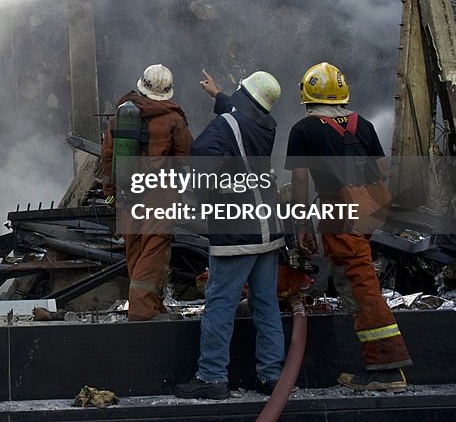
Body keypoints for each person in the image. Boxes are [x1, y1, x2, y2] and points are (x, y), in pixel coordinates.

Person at [285, 62, 412, 392]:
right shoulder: (364, 124)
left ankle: (385, 368)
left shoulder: (303, 130)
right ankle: (380, 364)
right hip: (369, 207)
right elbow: (382, 171)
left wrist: (303, 226)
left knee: (359, 282)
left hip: (339, 210)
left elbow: (299, 181)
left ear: (306, 96)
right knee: (354, 272)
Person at [174, 70, 285, 399]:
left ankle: (211, 376)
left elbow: (200, 164)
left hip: (238, 230)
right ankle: (272, 375)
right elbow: (238, 119)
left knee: (220, 303)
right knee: (266, 304)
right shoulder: (268, 125)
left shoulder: (225, 126)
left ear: (244, 94)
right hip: (268, 226)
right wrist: (217, 95)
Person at [100, 64, 192, 321]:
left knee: (135, 248)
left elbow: (107, 158)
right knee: (153, 250)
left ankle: (151, 306)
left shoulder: (121, 114)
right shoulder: (173, 118)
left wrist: (110, 194)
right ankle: (141, 310)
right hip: (158, 195)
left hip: (127, 192)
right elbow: (185, 157)